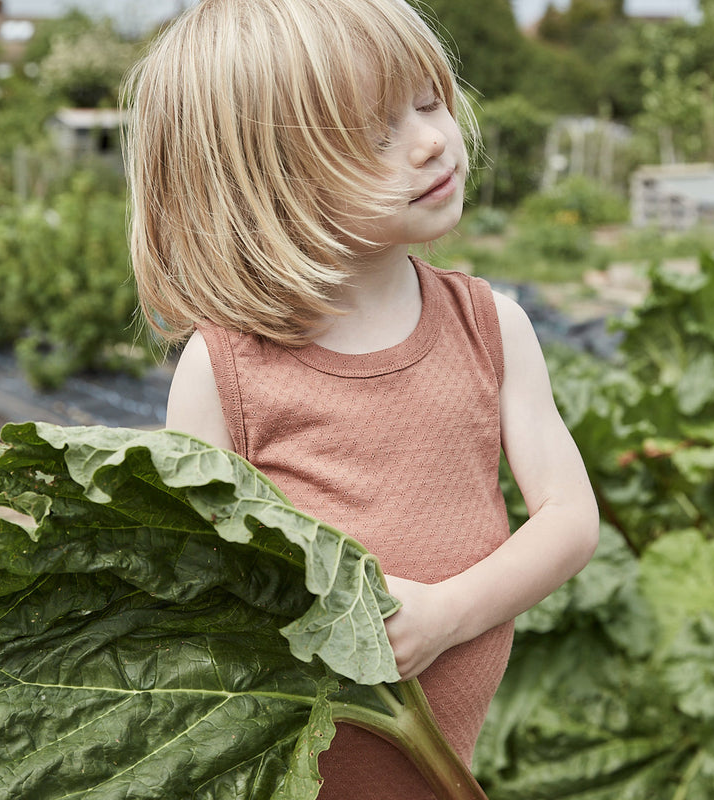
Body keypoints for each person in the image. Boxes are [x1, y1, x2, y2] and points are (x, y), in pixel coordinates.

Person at [122, 0, 600, 797]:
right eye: (376, 135)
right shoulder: (224, 368)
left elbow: (570, 519)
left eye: (428, 100)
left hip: (447, 767)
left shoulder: (491, 326)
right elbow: (192, 598)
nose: (431, 139)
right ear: (267, 183)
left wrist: (448, 615)